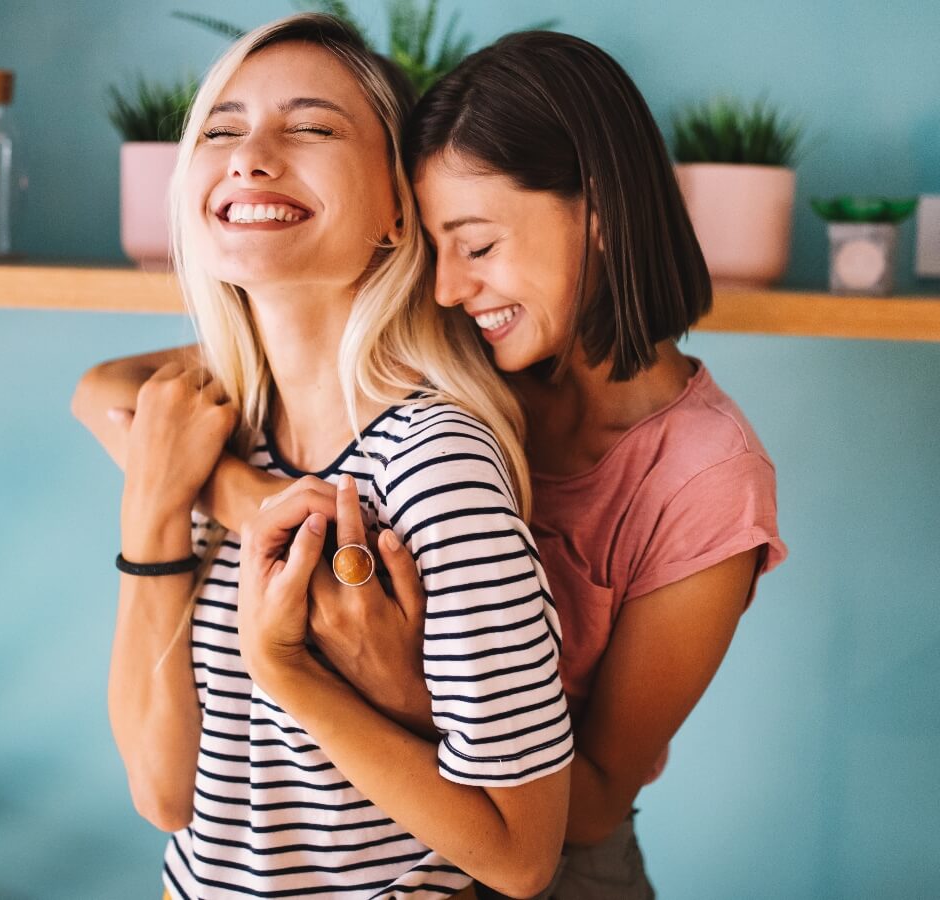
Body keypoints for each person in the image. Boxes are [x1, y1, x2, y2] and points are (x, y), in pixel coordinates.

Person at [76, 30, 788, 899]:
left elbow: (578, 810)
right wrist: (256, 503)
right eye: (436, 243)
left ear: (597, 218)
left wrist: (374, 672)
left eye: (478, 247)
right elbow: (108, 390)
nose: (446, 288)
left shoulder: (701, 477)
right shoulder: (484, 347)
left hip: (567, 856)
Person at [92, 14, 576, 898]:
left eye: (312, 127)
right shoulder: (218, 427)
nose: (249, 156)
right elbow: (164, 797)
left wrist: (286, 667)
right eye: (221, 129)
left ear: (400, 208)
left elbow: (521, 857)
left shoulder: (435, 465)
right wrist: (161, 504)